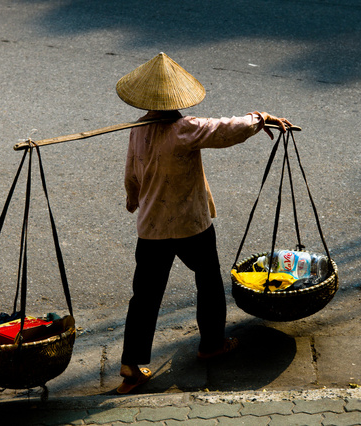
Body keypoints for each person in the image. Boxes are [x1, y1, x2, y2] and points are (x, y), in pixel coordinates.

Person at [116, 52, 293, 394]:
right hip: (189, 225)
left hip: (151, 227)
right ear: (176, 102)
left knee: (145, 296)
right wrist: (261, 118)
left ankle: (131, 363)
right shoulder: (186, 130)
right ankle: (212, 343)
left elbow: (133, 169)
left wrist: (133, 196)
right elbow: (227, 128)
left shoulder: (139, 130)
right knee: (209, 281)